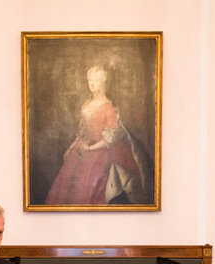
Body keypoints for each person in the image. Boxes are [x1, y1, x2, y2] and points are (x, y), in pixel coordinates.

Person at [45, 66, 151, 205]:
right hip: (81, 150)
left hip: (100, 152)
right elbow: (82, 131)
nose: (92, 83)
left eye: (96, 80)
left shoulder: (108, 107)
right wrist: (71, 147)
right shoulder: (86, 105)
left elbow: (111, 137)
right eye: (90, 80)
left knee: (90, 185)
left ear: (103, 82)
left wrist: (90, 149)